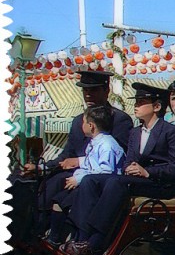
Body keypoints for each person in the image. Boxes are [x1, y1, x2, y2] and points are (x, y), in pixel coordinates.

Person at [63, 83, 175, 255]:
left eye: (141, 102)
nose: (136, 106)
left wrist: (147, 172)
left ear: (157, 107)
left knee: (116, 182)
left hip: (158, 183)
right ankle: (81, 237)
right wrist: (129, 167)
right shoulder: (135, 132)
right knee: (90, 180)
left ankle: (97, 241)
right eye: (136, 101)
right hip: (134, 180)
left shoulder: (169, 131)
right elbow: (128, 159)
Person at [22, 70, 133, 238]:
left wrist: (80, 162)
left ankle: (57, 238)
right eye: (85, 90)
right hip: (74, 174)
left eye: (94, 90)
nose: (88, 95)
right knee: (40, 184)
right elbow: (65, 156)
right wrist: (40, 167)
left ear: (106, 90)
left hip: (99, 178)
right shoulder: (78, 121)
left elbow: (116, 156)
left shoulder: (119, 120)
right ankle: (33, 234)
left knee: (62, 187)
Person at [46, 105, 125, 244]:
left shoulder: (107, 145)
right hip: (85, 185)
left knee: (64, 203)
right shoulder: (95, 143)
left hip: (97, 191)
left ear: (91, 126)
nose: (81, 125)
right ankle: (55, 239)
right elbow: (91, 162)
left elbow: (105, 172)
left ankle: (68, 240)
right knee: (58, 200)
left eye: (83, 122)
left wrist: (79, 179)